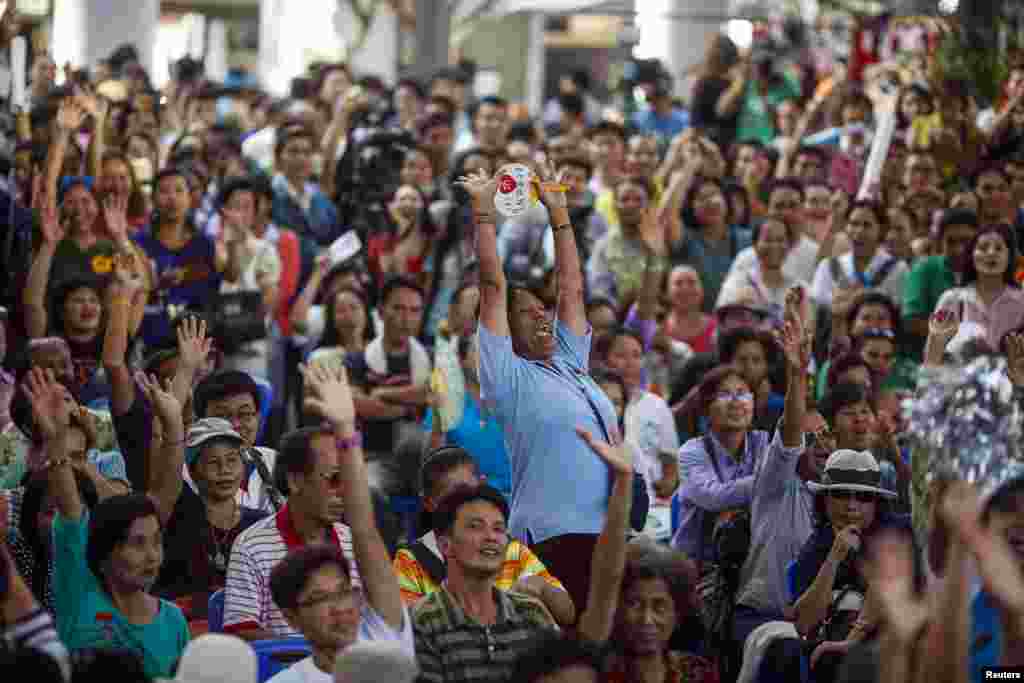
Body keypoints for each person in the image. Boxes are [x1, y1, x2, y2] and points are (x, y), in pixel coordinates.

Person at [462, 162, 621, 614]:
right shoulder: (507, 374)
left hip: (606, 531)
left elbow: (571, 288)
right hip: (551, 535)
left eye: (541, 309)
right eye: (527, 313)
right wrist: (483, 211)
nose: (542, 317)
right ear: (505, 331)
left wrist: (558, 211)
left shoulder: (571, 362)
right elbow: (493, 286)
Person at [411, 425, 635, 683]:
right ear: (445, 544)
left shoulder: (529, 613)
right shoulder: (424, 620)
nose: (491, 536)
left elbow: (590, 633)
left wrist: (623, 482)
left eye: (498, 528)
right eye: (475, 526)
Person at [25, 368, 190, 678]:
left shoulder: (173, 621)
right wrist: (56, 440)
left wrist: (173, 424)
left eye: (156, 542)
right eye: (137, 544)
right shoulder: (77, 592)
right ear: (103, 555)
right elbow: (71, 510)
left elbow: (167, 492)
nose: (152, 556)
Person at [265, 361, 413, 683]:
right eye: (319, 599)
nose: (340, 608)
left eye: (345, 592)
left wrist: (346, 430)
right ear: (292, 619)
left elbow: (364, 531)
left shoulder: (383, 639)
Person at [393, 446, 574, 626]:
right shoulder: (411, 561)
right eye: (451, 499)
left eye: (470, 494)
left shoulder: (511, 550)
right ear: (429, 503)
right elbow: (406, 633)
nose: (464, 506)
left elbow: (567, 614)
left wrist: (542, 588)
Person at [792, 449, 904, 683]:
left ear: (876, 503)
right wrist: (834, 558)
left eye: (863, 496)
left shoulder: (896, 535)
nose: (852, 506)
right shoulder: (815, 547)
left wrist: (852, 640)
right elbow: (803, 624)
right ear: (826, 500)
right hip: (833, 656)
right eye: (842, 494)